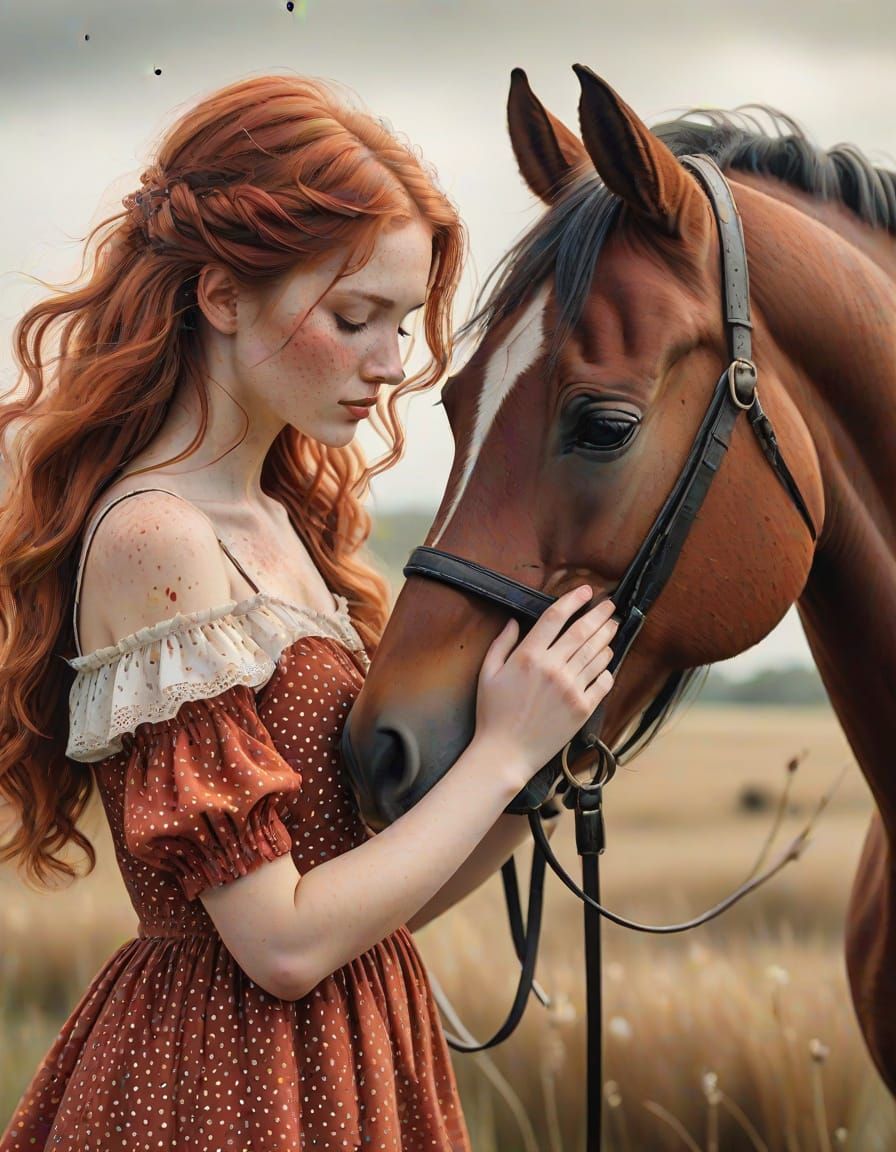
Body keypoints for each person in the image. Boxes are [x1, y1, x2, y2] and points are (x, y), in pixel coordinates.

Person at [0, 74, 617, 1150]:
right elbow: (279, 945)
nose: (389, 367)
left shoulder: (285, 525)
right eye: (353, 317)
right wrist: (496, 756)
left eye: (401, 322)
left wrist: (535, 764)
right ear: (224, 296)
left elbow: (368, 906)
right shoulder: (156, 539)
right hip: (223, 1086)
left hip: (357, 1054)